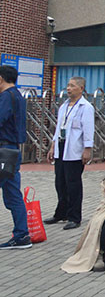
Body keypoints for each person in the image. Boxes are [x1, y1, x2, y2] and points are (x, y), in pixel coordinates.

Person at [47, 76, 94, 230]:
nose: (69, 88)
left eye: (73, 86)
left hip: (75, 149)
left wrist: (87, 149)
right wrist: (53, 146)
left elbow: (88, 129)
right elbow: (58, 128)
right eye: (68, 85)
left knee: (73, 183)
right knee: (60, 181)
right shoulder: (64, 106)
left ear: (81, 88)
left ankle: (74, 216)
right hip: (61, 146)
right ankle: (61, 212)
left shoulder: (85, 107)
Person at [0, 65, 28, 250]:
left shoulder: (6, 97)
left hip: (4, 149)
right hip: (12, 150)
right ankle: (22, 234)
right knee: (12, 192)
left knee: (12, 194)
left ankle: (21, 234)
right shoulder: (18, 95)